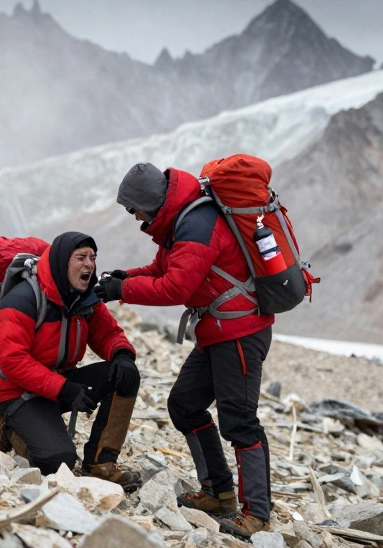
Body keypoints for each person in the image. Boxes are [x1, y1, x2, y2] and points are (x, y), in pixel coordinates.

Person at [96, 163, 273, 537]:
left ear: (149, 202)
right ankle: (218, 491)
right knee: (184, 406)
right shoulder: (181, 222)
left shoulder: (196, 225)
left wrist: (120, 292)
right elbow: (161, 268)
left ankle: (256, 513)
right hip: (218, 332)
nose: (135, 217)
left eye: (134, 209)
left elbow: (173, 288)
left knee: (240, 420)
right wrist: (124, 277)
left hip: (238, 334)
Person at [0, 231, 142, 490]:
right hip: (16, 391)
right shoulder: (22, 300)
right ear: (62, 262)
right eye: (80, 257)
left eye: (92, 258)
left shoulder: (83, 297)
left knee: (125, 375)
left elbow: (107, 334)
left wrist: (122, 354)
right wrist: (65, 389)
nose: (89, 264)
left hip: (56, 382)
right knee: (58, 463)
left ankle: (99, 464)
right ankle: (7, 427)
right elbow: (12, 361)